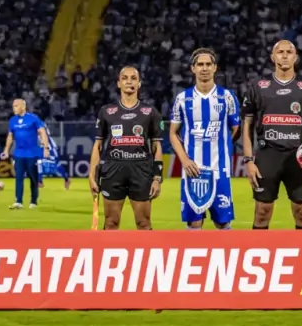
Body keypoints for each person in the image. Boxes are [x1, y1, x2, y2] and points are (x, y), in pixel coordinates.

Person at [241, 40, 302, 230]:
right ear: (273, 57)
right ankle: (259, 257)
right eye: (280, 52)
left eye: (289, 51)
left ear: (296, 58)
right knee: (263, 211)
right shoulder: (258, 86)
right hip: (267, 156)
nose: (285, 55)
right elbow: (247, 125)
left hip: (299, 157)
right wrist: (248, 160)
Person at [169, 48, 240, 230]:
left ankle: (224, 258)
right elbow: (172, 132)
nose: (204, 68)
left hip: (220, 169)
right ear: (193, 68)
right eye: (200, 64)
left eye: (208, 64)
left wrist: (222, 147)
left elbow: (236, 129)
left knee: (222, 221)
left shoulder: (227, 97)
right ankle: (195, 258)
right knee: (194, 222)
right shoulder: (182, 99)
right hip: (193, 169)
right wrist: (184, 160)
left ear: (215, 67)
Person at [89, 66, 163, 230]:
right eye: (125, 78)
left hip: (142, 170)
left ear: (139, 84)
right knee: (110, 223)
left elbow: (156, 146)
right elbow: (98, 145)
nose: (129, 81)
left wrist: (157, 178)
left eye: (133, 78)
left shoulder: (150, 112)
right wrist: (92, 175)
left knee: (144, 223)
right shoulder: (106, 111)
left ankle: (146, 256)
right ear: (118, 83)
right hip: (113, 170)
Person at [1, 99, 50, 210]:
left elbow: (42, 132)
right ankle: (18, 201)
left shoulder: (33, 118)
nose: (14, 108)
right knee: (18, 178)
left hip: (32, 154)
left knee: (33, 178)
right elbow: (10, 136)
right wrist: (6, 150)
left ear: (23, 107)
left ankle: (33, 201)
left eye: (16, 106)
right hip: (18, 154)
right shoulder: (12, 120)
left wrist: (46, 148)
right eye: (13, 106)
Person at [37, 122, 71, 190]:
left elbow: (41, 133)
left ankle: (66, 179)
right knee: (39, 162)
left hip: (50, 146)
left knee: (57, 164)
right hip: (42, 146)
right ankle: (39, 182)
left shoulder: (40, 123)